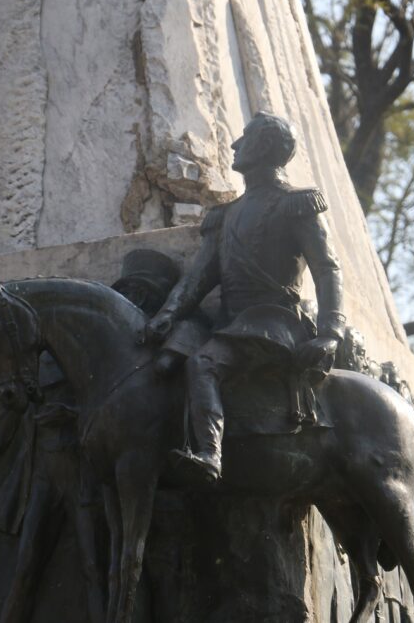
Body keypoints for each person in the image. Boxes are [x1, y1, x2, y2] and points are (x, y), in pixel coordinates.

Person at [146, 112, 345, 483]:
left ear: (266, 147)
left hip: (274, 322)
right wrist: (168, 313)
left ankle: (209, 454)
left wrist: (330, 333)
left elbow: (327, 269)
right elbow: (198, 278)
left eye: (245, 138)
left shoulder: (296, 203)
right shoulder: (224, 216)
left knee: (203, 364)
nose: (235, 145)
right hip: (231, 323)